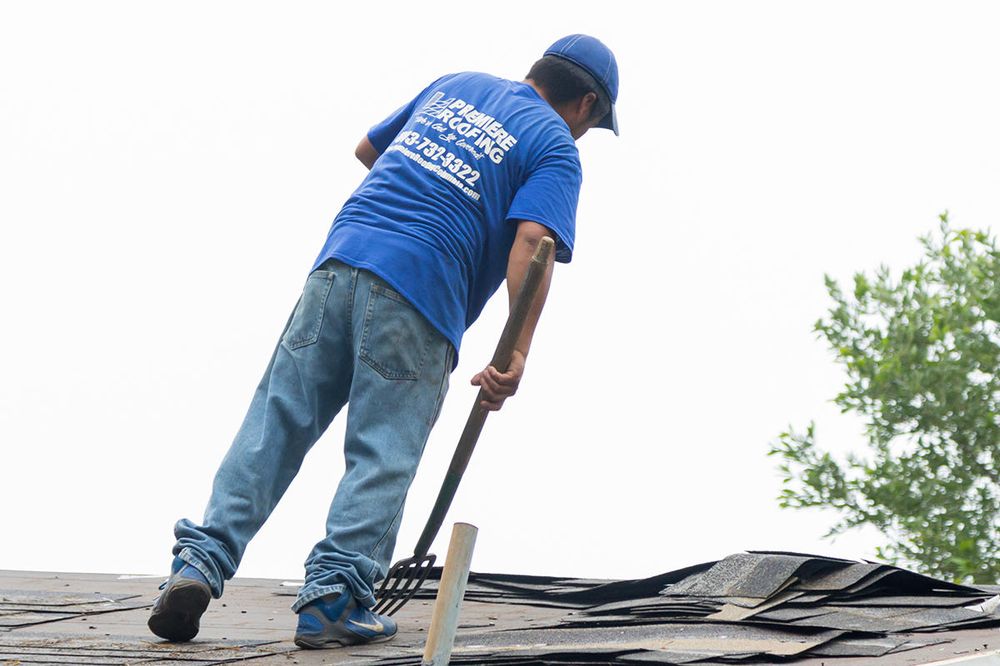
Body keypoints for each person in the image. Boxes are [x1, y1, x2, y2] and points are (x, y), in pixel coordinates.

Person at [147, 33, 619, 649]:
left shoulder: (456, 85)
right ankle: (335, 598)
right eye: (595, 122)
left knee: (276, 422)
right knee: (383, 448)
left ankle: (197, 565)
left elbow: (371, 149)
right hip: (420, 292)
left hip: (340, 264)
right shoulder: (555, 144)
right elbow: (535, 247)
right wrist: (515, 353)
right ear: (586, 103)